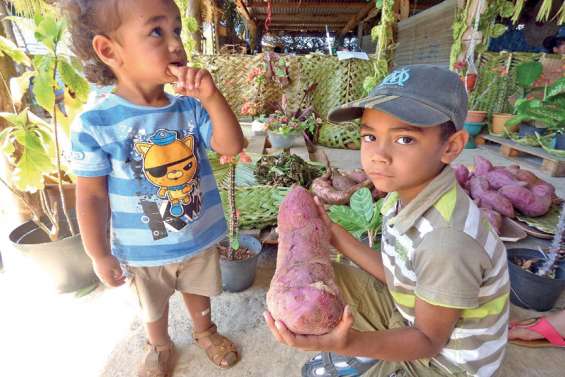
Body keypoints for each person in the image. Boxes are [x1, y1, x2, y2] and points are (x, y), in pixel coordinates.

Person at [264, 65, 510, 377]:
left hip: (443, 364)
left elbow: (429, 341)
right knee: (319, 278)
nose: (378, 155)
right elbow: (398, 276)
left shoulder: (447, 242)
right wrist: (334, 234)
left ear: (451, 147)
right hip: (409, 315)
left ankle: (380, 357)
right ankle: (377, 348)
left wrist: (349, 343)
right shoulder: (403, 191)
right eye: (369, 136)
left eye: (404, 139)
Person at [63, 0, 244, 376]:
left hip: (197, 233)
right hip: (141, 251)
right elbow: (91, 195)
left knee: (198, 291)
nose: (176, 43)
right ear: (109, 50)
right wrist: (98, 254)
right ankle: (159, 345)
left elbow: (231, 146)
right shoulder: (96, 122)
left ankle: (205, 331)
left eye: (176, 29)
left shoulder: (190, 107)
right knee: (151, 305)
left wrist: (211, 97)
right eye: (156, 32)